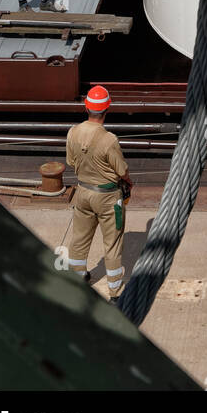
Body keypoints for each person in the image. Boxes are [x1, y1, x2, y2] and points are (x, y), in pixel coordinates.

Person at [65, 85, 132, 302]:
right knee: (112, 244)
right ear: (107, 109)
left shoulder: (72, 132)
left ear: (87, 108)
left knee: (79, 240)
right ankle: (114, 293)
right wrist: (129, 185)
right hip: (107, 197)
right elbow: (122, 171)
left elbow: (71, 161)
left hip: (83, 192)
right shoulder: (109, 139)